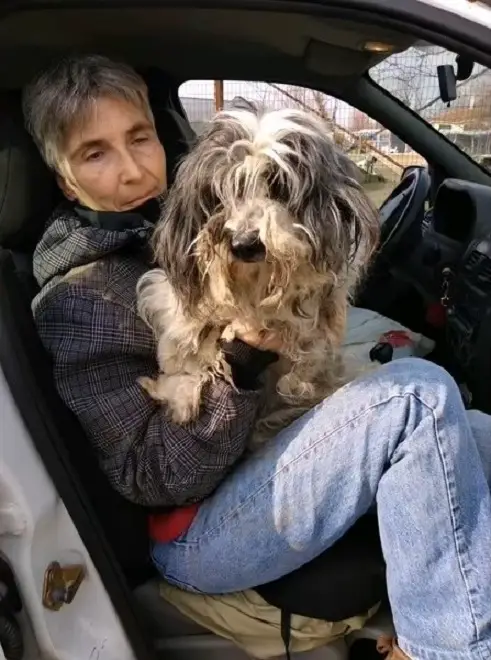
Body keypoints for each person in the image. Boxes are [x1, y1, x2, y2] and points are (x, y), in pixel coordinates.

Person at [24, 55, 491, 660]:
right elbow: (149, 477)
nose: (133, 167)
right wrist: (240, 366)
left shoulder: (172, 224)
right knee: (416, 399)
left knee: (472, 430)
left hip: (260, 463)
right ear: (65, 181)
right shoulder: (80, 298)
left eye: (139, 138)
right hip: (196, 533)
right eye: (95, 153)